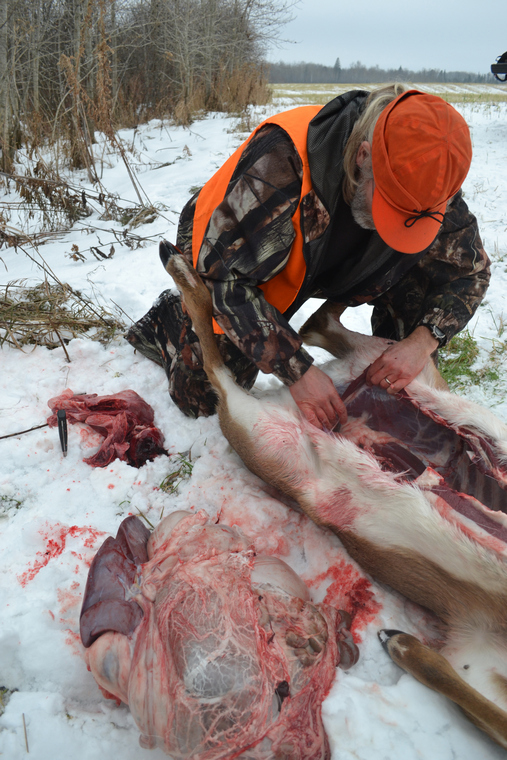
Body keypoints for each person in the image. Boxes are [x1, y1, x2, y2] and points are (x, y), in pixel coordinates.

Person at [127, 84, 490, 431]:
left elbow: (469, 273)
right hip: (238, 257)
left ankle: (359, 334)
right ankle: (173, 317)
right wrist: (296, 369)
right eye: (389, 207)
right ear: (363, 156)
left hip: (336, 265)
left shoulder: (429, 181)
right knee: (204, 399)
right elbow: (224, 278)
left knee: (404, 400)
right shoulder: (281, 163)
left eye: (410, 220)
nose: (392, 230)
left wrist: (422, 342)